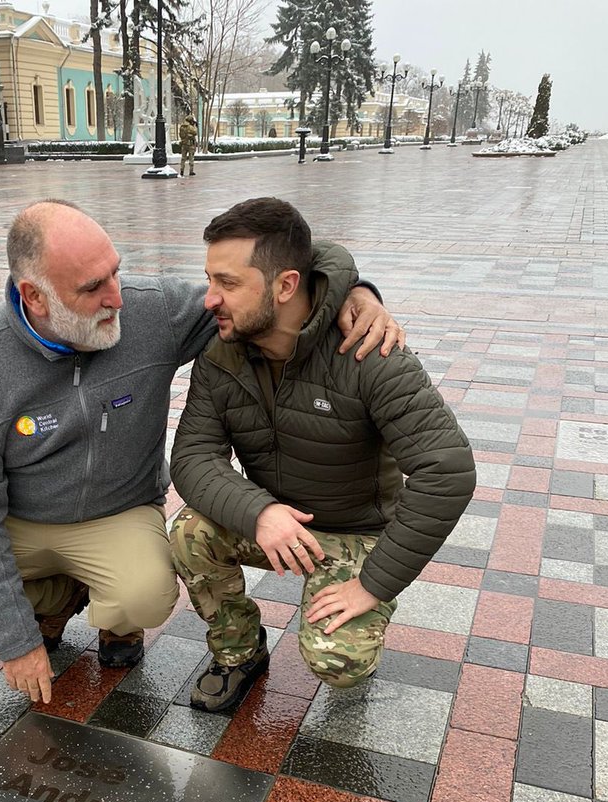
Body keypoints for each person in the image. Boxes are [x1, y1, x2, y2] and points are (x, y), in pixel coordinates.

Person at [0, 199, 404, 705]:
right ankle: (65, 594)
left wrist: (353, 291)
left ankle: (108, 610)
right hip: (15, 521)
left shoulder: (152, 310)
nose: (117, 297)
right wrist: (16, 641)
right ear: (36, 297)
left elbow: (266, 281)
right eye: (93, 288)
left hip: (116, 515)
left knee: (146, 594)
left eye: (115, 272)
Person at [169, 197, 476, 713]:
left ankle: (359, 606)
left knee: (337, 663)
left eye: (227, 283)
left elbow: (446, 471)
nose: (209, 300)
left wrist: (373, 585)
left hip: (355, 533)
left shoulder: (368, 352)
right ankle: (239, 652)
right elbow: (194, 456)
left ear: (286, 285)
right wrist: (258, 511)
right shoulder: (221, 353)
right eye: (210, 280)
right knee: (188, 534)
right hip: (275, 521)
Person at [179, 112, 197, 177]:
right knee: (191, 158)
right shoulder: (190, 127)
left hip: (184, 144)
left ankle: (181, 170)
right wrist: (194, 126)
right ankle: (191, 171)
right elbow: (195, 132)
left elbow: (180, 135)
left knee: (183, 158)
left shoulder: (182, 126)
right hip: (190, 144)